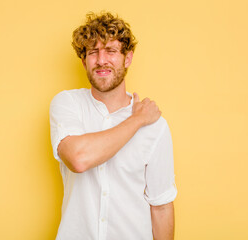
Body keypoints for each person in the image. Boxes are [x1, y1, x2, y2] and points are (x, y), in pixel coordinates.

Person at [50, 12, 177, 240]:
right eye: (93, 52)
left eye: (110, 51)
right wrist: (136, 120)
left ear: (127, 58)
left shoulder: (156, 126)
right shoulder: (67, 104)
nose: (101, 60)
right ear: (83, 61)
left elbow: (161, 206)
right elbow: (78, 158)